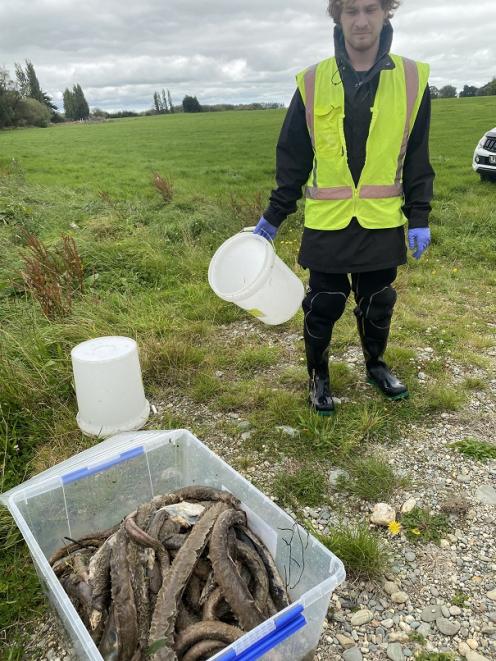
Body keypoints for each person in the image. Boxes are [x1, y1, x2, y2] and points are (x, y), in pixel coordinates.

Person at [254, 0, 434, 415]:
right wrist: (274, 215)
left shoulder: (412, 78)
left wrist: (419, 216)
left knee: (379, 300)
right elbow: (293, 156)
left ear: (387, 12)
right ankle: (318, 377)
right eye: (350, 10)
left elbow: (418, 156)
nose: (361, 20)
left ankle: (376, 364)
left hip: (382, 218)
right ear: (337, 16)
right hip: (329, 220)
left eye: (371, 9)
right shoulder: (312, 81)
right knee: (325, 303)